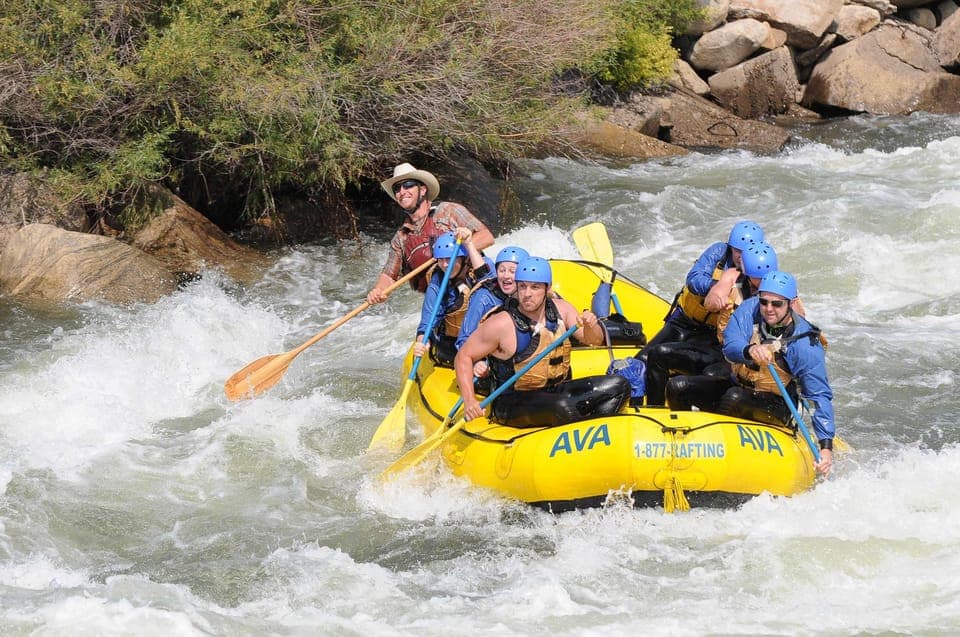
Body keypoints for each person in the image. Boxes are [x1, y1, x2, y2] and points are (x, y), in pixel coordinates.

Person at [455, 257, 632, 427]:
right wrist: (470, 400)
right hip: (512, 402)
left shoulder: (563, 309)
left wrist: (591, 326)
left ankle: (597, 434)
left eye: (535, 287)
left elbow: (594, 340)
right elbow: (463, 357)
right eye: (522, 287)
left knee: (619, 386)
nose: (527, 294)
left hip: (556, 390)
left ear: (547, 288)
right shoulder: (501, 323)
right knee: (562, 407)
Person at [720, 270, 835, 476]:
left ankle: (724, 459)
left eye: (777, 304)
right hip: (741, 385)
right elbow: (730, 343)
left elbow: (818, 396)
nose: (768, 309)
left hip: (778, 403)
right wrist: (749, 350)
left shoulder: (804, 345)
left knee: (733, 398)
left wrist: (826, 446)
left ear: (791, 304)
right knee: (680, 387)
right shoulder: (750, 308)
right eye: (764, 302)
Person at [638, 220, 765, 406]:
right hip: (683, 322)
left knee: (703, 373)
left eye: (746, 252)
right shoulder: (718, 252)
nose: (741, 257)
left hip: (712, 336)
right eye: (738, 251)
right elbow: (694, 279)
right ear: (731, 247)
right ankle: (647, 404)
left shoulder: (757, 274)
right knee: (643, 360)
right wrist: (719, 287)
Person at [664, 241, 778, 412]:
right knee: (676, 383)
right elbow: (711, 301)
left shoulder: (782, 294)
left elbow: (796, 326)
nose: (761, 283)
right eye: (757, 277)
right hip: (732, 357)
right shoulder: (733, 276)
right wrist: (717, 298)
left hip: (762, 377)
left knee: (725, 389)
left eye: (764, 277)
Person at [366, 162, 495, 304]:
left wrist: (451, 253)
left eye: (408, 185)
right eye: (397, 188)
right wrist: (378, 291)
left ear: (422, 190)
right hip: (437, 304)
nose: (402, 192)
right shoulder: (400, 238)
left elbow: (486, 237)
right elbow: (389, 275)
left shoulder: (449, 211)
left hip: (471, 292)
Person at [412, 229, 494, 367]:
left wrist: (468, 243)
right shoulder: (437, 279)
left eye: (450, 260)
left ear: (462, 258)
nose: (445, 265)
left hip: (484, 342)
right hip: (452, 344)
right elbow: (428, 318)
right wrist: (422, 341)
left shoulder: (479, 267)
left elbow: (489, 280)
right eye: (441, 260)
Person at [455, 245, 529, 380]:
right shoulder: (483, 298)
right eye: (502, 270)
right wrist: (477, 363)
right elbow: (464, 339)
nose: (506, 276)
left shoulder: (530, 293)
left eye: (512, 271)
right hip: (494, 362)